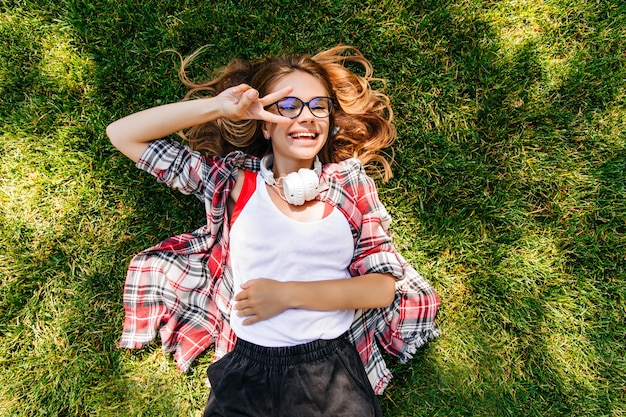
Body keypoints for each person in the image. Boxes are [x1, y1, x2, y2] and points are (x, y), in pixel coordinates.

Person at [107, 45, 440, 416]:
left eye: (318, 106)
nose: (307, 117)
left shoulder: (350, 186)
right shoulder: (235, 184)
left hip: (331, 370)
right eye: (288, 106)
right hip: (247, 367)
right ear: (264, 124)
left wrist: (286, 295)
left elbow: (381, 289)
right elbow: (123, 134)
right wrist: (219, 107)